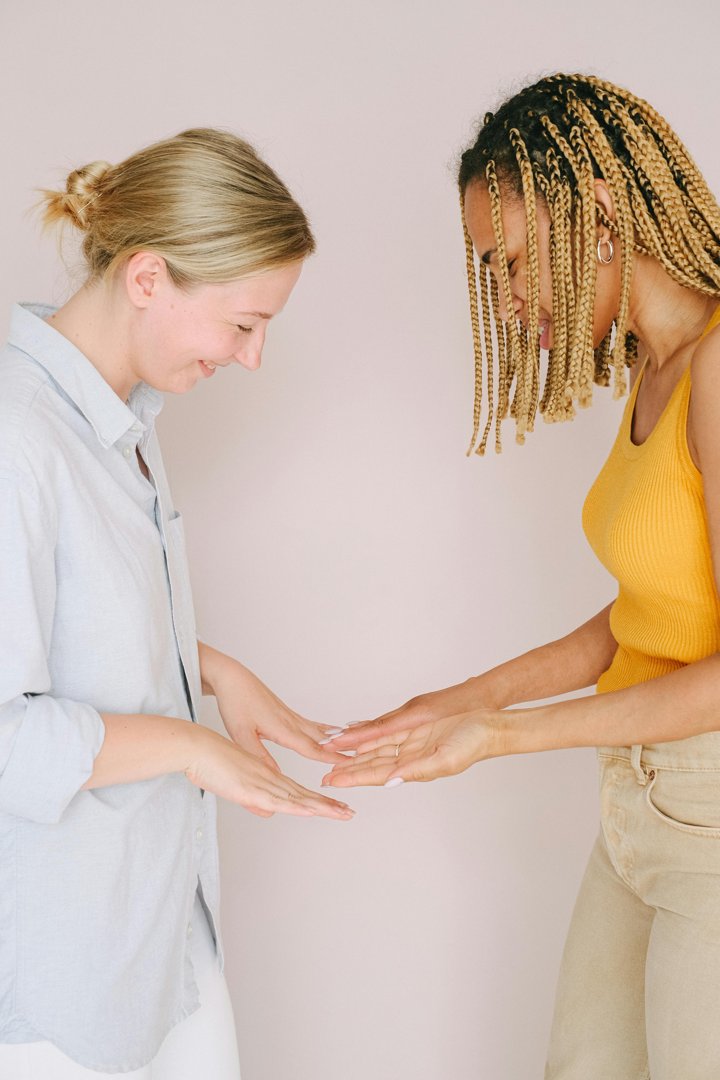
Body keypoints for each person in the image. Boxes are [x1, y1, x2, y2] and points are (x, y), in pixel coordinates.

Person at [325, 74, 720, 1079]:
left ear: (592, 211)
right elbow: (649, 620)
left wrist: (498, 736)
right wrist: (457, 700)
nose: (504, 300)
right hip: (639, 810)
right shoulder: (658, 368)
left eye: (506, 263)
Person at [0, 126, 355, 1080]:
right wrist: (196, 747)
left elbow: (69, 616)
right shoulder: (15, 440)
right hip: (58, 986)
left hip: (159, 938)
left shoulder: (124, 425)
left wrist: (212, 671)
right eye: (244, 324)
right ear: (148, 276)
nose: (254, 358)